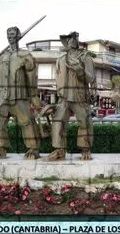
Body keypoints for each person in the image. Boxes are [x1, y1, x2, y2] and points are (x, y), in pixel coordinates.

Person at [0, 26, 41, 160]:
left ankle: (33, 149)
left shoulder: (26, 55)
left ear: (19, 35)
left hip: (20, 96)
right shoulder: (1, 57)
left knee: (27, 122)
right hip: (4, 97)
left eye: (13, 34)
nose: (10, 36)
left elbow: (32, 77)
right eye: (8, 34)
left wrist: (33, 96)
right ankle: (0, 148)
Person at [44, 31, 95, 161]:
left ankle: (85, 149)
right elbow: (57, 78)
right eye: (67, 40)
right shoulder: (60, 60)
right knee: (58, 122)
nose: (70, 42)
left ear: (77, 41)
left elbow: (91, 78)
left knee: (85, 123)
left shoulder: (85, 57)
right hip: (64, 97)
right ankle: (59, 150)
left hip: (79, 96)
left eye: (72, 39)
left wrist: (79, 70)